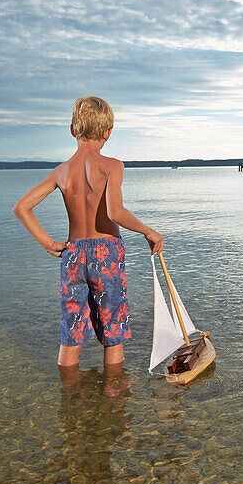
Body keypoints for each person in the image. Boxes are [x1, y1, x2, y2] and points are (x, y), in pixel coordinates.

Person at [12, 96, 163, 371]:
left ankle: (68, 399)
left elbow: (22, 207)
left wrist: (47, 242)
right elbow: (115, 212)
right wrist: (149, 231)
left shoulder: (61, 172)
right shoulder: (112, 166)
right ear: (108, 132)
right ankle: (113, 397)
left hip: (72, 254)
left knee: (72, 330)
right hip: (106, 253)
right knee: (113, 329)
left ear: (73, 130)